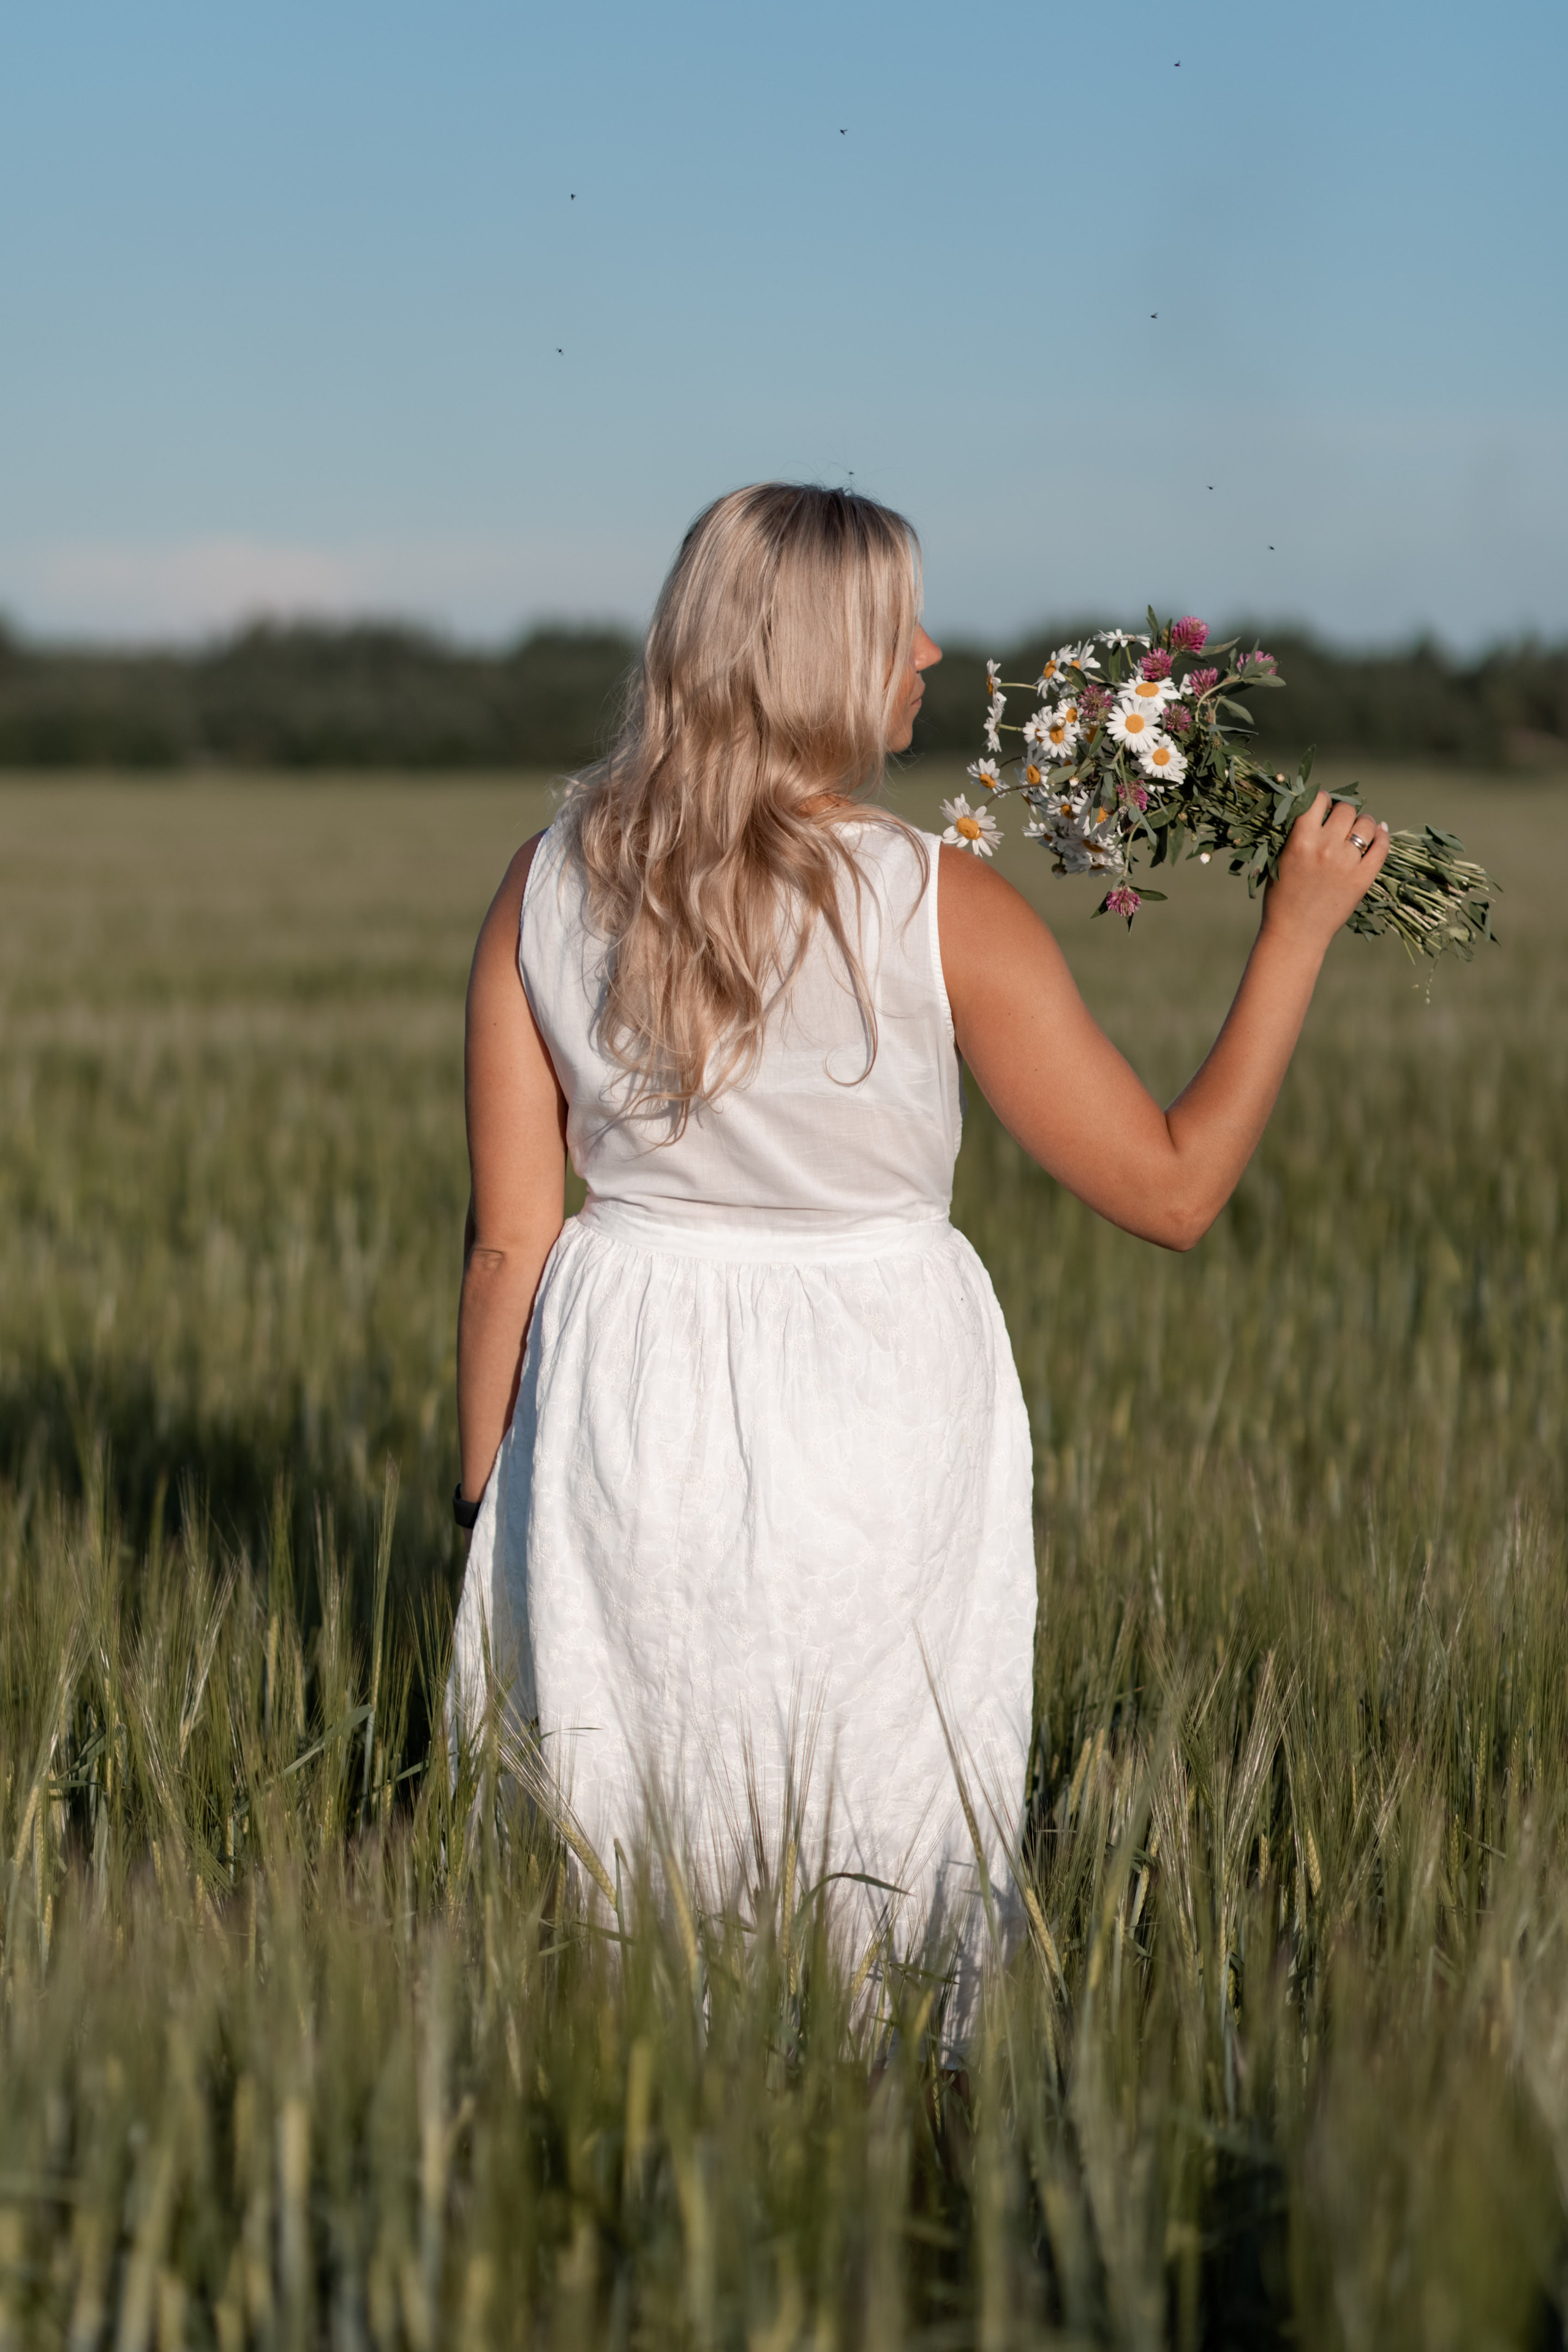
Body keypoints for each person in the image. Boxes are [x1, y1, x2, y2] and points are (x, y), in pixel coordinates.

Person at [448, 483, 1389, 2035]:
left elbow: (505, 1241)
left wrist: (481, 1517)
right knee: (882, 1826)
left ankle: (621, 2148)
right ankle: (899, 2143)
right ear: (822, 660)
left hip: (620, 1410)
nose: (935, 653)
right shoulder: (940, 910)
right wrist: (1291, 931)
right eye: (902, 627)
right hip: (874, 1406)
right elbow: (1172, 1191)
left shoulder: (544, 883)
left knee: (625, 1836)